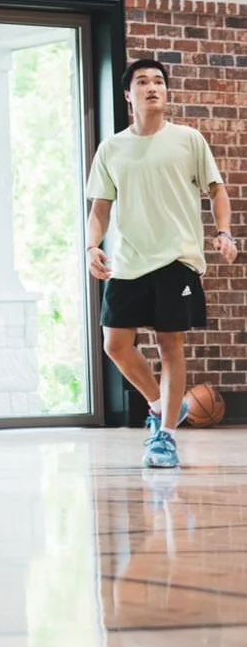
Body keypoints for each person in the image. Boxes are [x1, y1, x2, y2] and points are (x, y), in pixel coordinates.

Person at [85, 58, 237, 469]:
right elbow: (100, 208)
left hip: (177, 258)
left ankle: (165, 437)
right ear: (127, 95)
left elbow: (217, 192)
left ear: (167, 93)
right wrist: (91, 246)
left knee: (170, 345)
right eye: (142, 81)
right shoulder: (111, 148)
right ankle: (160, 404)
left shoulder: (189, 140)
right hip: (130, 261)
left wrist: (224, 233)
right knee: (114, 344)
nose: (152, 87)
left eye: (159, 81)